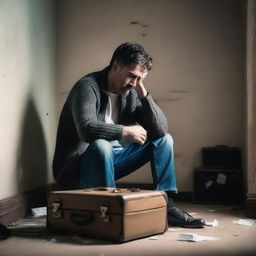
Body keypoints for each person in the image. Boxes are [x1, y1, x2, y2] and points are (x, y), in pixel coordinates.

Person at [52, 42, 205, 228]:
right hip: (77, 170)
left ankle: (167, 206)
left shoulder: (130, 92)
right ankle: (109, 207)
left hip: (111, 161)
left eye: (139, 78)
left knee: (165, 140)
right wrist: (124, 131)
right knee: (102, 144)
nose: (133, 82)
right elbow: (86, 129)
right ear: (116, 65)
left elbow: (160, 130)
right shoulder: (87, 87)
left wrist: (143, 91)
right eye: (131, 76)